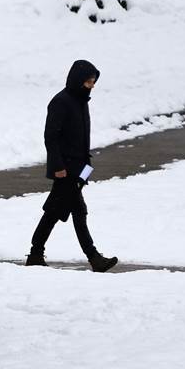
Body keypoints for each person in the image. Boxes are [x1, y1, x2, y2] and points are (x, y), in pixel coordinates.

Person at [25, 59, 118, 272]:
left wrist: (86, 168)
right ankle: (94, 258)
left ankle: (36, 254)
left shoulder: (81, 101)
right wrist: (58, 167)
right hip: (65, 170)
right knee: (76, 211)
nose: (92, 85)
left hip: (79, 168)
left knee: (55, 212)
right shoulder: (61, 102)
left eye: (94, 82)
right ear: (78, 81)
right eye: (88, 82)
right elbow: (51, 137)